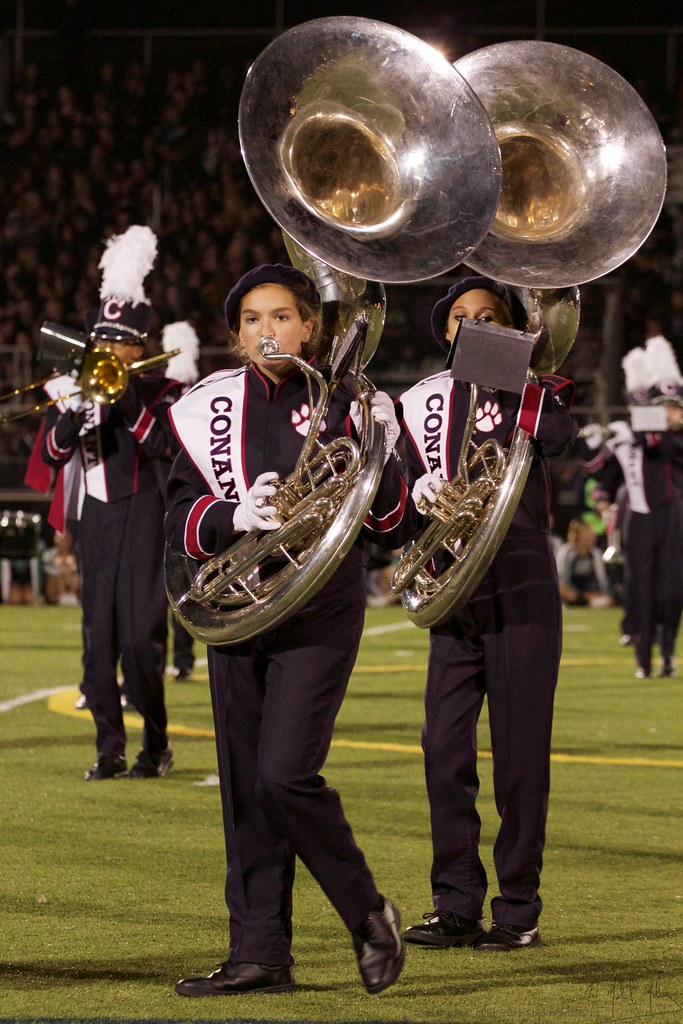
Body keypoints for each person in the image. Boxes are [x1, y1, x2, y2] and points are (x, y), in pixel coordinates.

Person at [164, 263, 415, 996]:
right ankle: (259, 952)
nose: (265, 331)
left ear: (310, 326)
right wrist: (233, 516)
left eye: (280, 317)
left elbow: (393, 527)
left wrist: (387, 454)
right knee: (246, 786)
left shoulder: (346, 402)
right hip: (238, 606)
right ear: (235, 334)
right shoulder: (205, 408)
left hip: (318, 609)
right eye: (250, 319)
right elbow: (178, 517)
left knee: (283, 772)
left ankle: (366, 912)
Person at [398, 275, 578, 952]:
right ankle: (454, 903)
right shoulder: (417, 404)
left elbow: (562, 439)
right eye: (463, 319)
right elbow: (390, 498)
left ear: (510, 329)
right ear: (446, 332)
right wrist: (415, 491)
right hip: (453, 585)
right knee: (443, 749)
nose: (474, 326)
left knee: (519, 757)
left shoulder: (539, 392)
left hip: (522, 585)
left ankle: (517, 907)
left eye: (490, 317)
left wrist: (517, 382)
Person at [40, 225, 183, 780]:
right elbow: (53, 455)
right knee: (97, 641)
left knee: (140, 637)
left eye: (119, 342)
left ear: (138, 346)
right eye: (101, 341)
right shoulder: (78, 388)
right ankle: (109, 746)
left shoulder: (161, 391)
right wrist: (75, 407)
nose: (108, 350)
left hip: (144, 513)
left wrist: (124, 397)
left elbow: (162, 445)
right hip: (94, 515)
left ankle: (155, 741)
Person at [584, 334, 683, 678]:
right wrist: (602, 500)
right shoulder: (626, 433)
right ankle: (643, 657)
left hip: (672, 520)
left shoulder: (674, 439)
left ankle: (668, 652)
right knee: (639, 590)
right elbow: (597, 473)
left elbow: (663, 442)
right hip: (639, 522)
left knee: (670, 592)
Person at [556, 518, 613, 607]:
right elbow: (561, 577)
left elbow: (601, 578)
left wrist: (604, 594)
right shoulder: (566, 551)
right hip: (571, 593)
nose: (593, 536)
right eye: (588, 533)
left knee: (607, 599)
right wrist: (578, 595)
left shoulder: (595, 553)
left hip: (589, 593)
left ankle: (588, 603)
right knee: (560, 588)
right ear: (578, 535)